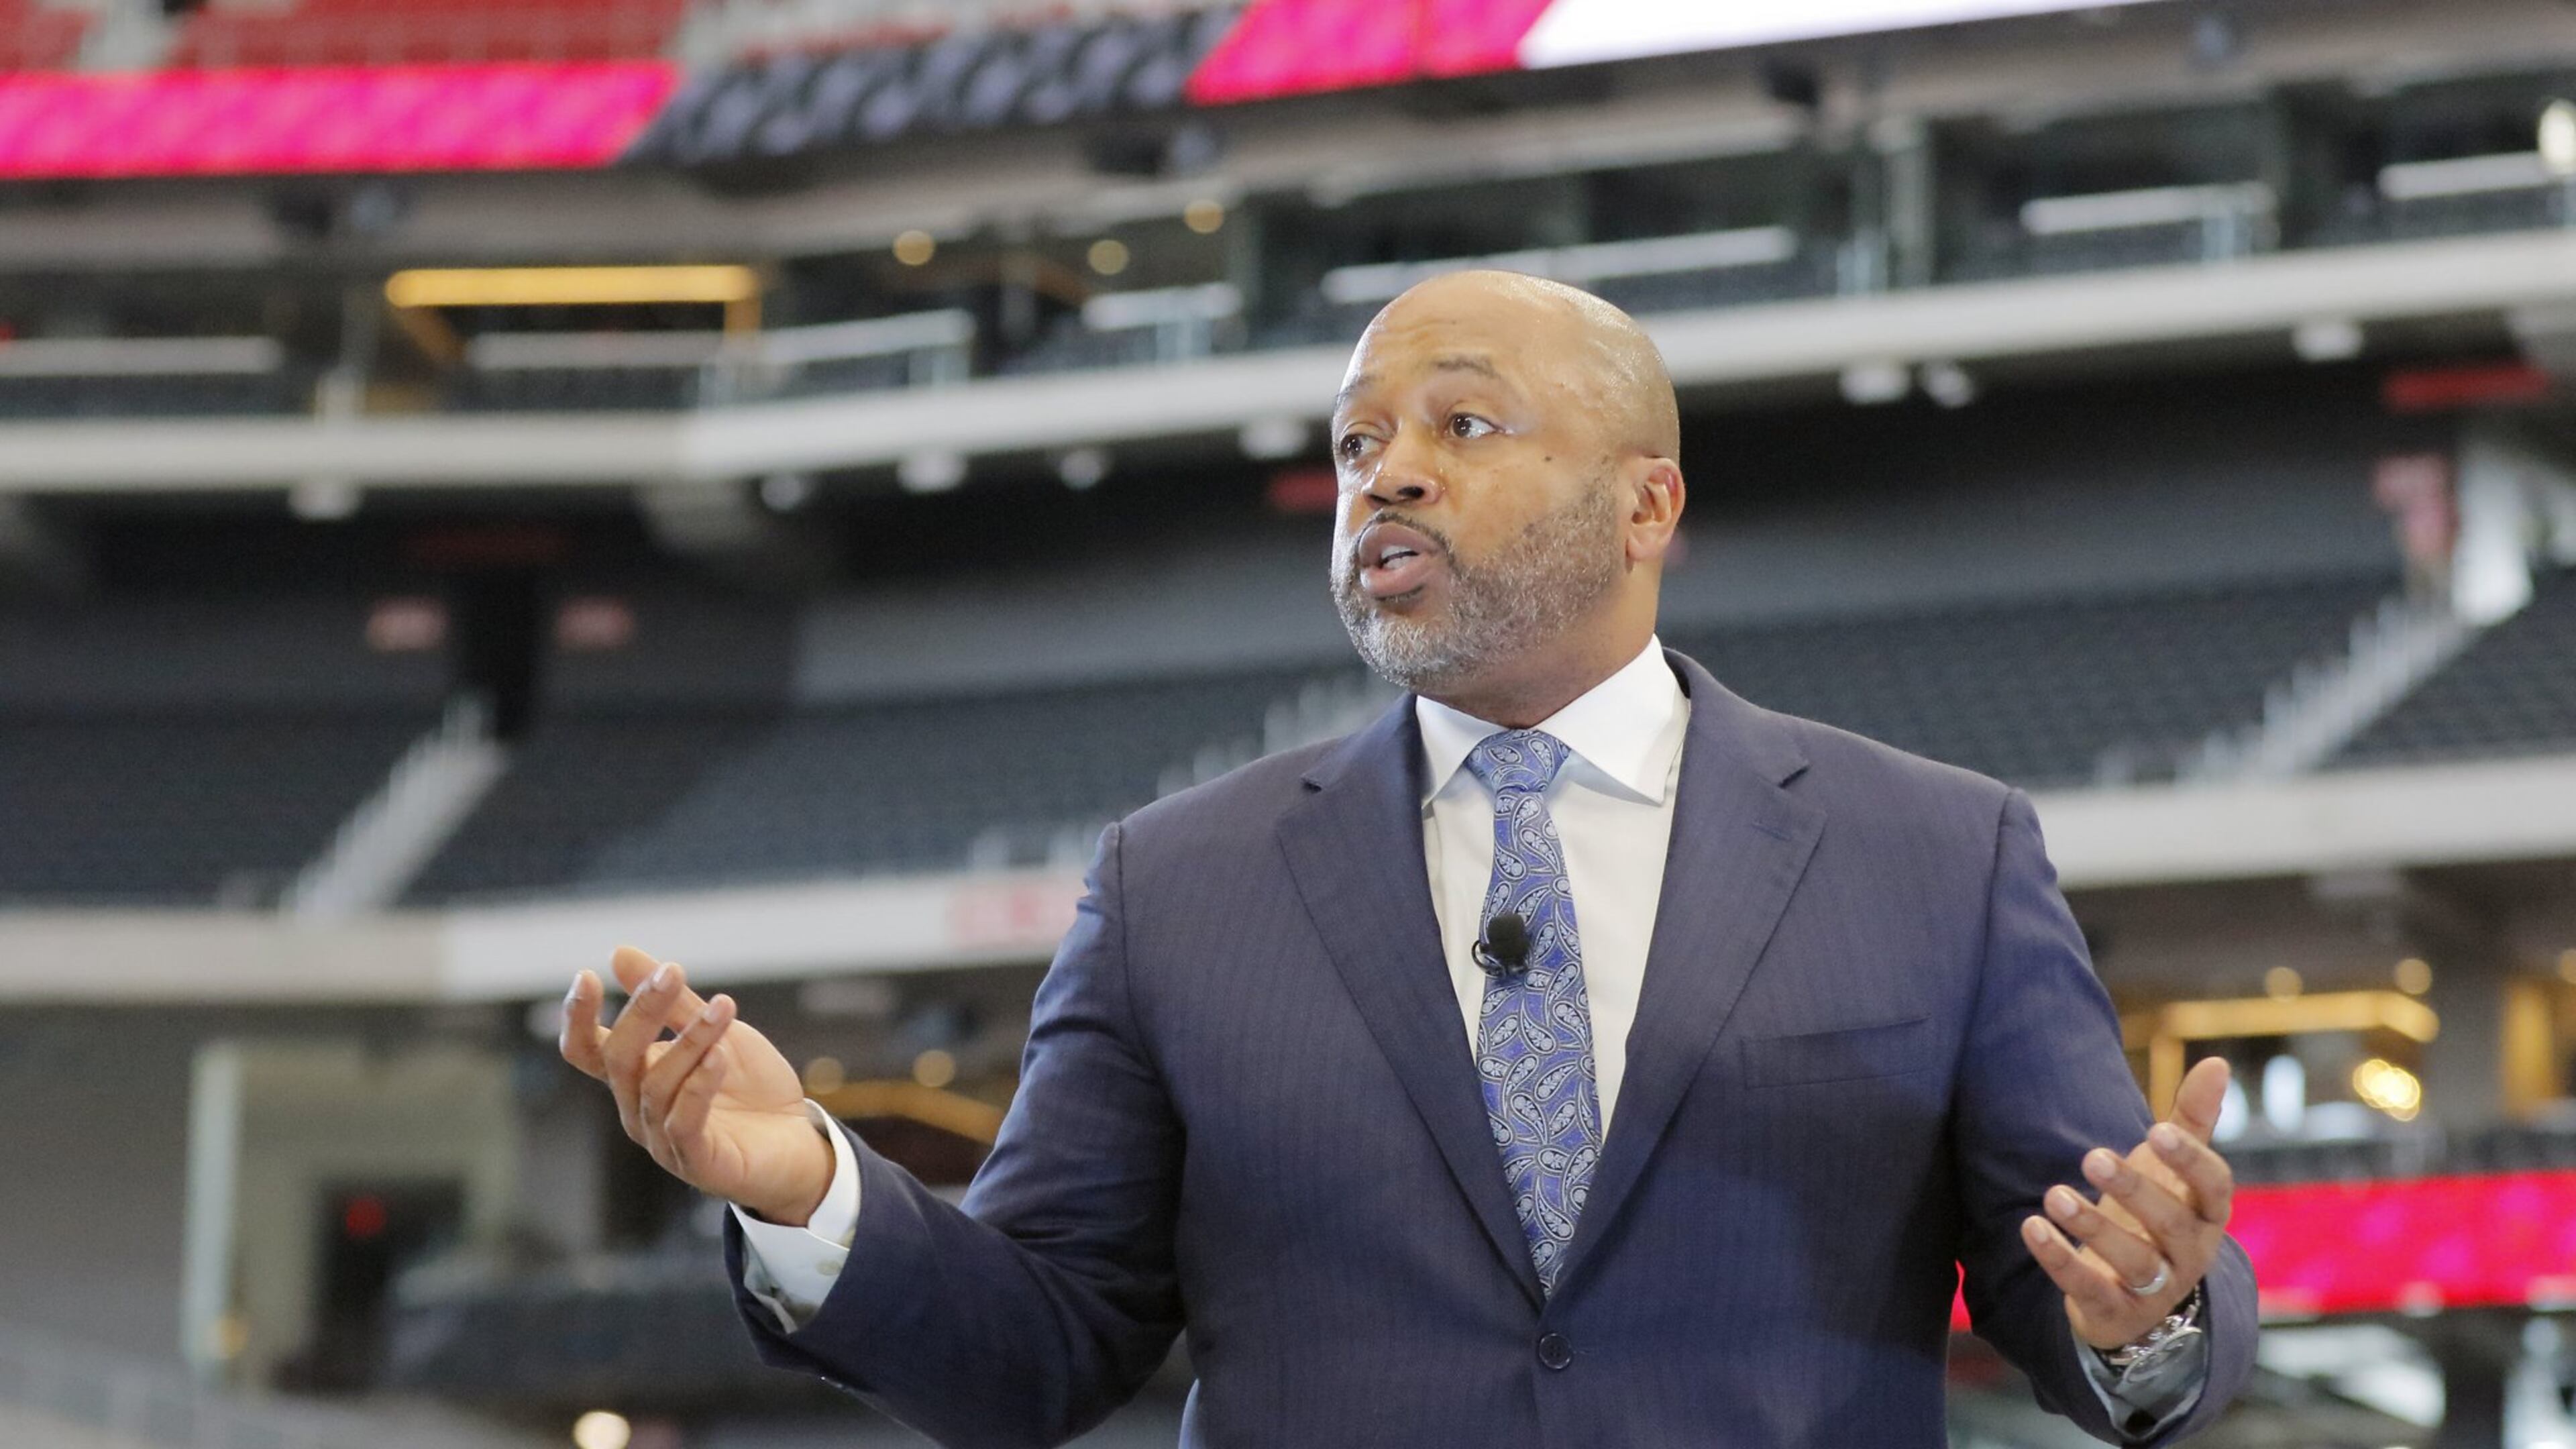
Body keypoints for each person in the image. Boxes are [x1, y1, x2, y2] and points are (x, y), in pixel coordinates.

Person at [559, 270, 2256, 1447]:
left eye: (1466, 428)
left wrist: (2143, 1316)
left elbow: (2098, 1279)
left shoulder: (1935, 854)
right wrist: (806, 1187)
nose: (1393, 478)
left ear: (1646, 506)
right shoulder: (1178, 887)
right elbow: (1038, 1354)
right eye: (1360, 443)